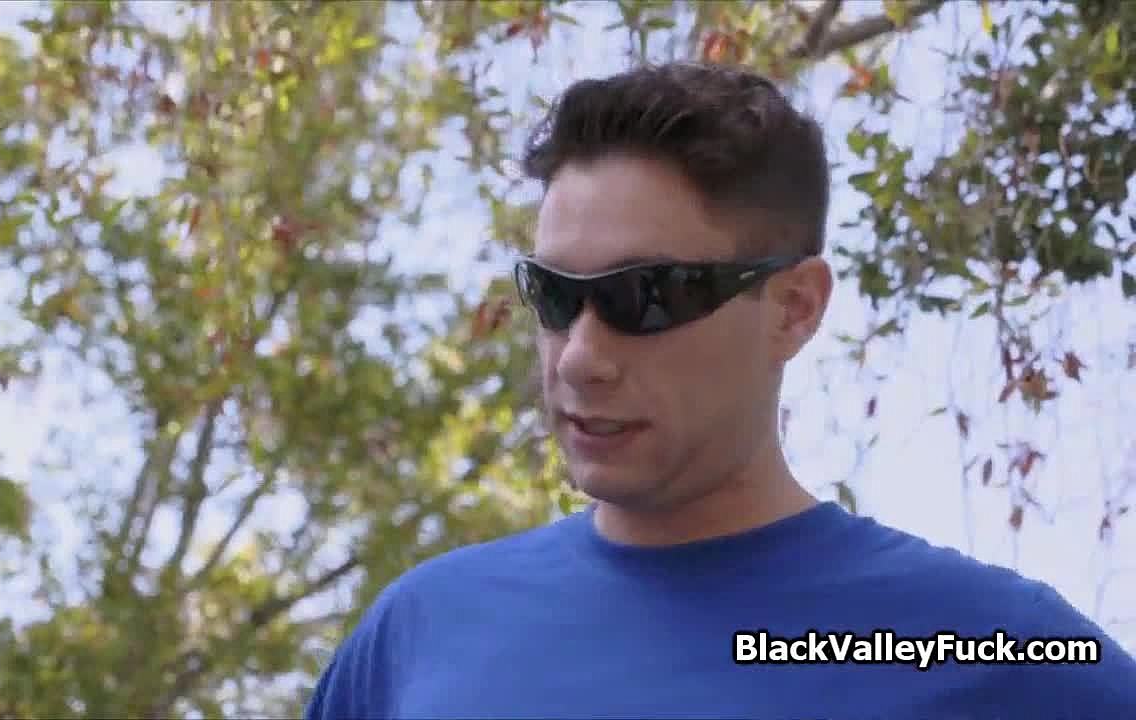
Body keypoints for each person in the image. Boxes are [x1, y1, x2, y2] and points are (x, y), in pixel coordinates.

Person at [304, 61, 1136, 719]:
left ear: (795, 307)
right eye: (553, 295)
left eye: (645, 296)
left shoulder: (988, 652)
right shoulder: (419, 636)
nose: (579, 358)